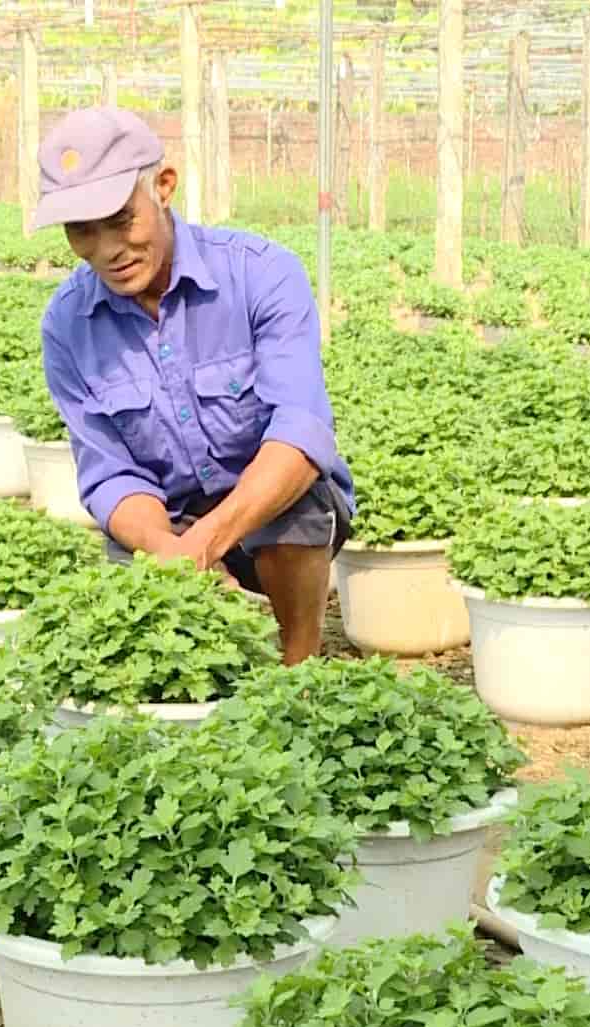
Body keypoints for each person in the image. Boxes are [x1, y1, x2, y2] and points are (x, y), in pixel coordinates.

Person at [33, 107, 353, 666]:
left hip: (267, 502)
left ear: (163, 187)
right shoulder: (67, 325)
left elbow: (300, 438)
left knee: (296, 509)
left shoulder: (262, 273)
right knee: (145, 613)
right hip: (169, 518)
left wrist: (206, 544)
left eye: (119, 219)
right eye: (82, 230)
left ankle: (300, 674)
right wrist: (174, 554)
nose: (107, 248)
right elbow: (110, 474)